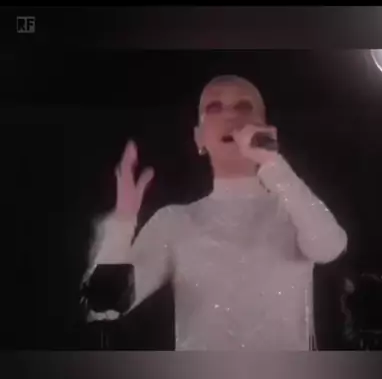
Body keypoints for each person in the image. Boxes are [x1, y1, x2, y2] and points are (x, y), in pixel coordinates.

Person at [83, 75, 347, 350]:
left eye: (243, 107)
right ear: (199, 137)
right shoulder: (174, 222)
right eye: (214, 108)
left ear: (269, 131)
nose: (230, 116)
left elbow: (330, 247)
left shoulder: (294, 211)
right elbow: (104, 307)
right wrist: (122, 223)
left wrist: (273, 164)